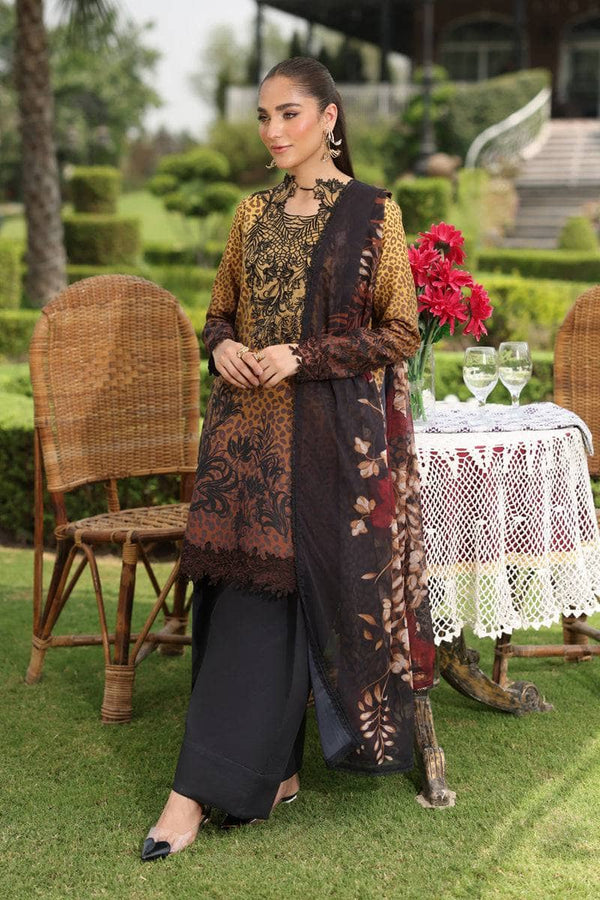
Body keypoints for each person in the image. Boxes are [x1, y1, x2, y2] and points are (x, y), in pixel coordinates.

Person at [141, 56, 436, 862]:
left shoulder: (375, 215)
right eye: (265, 116)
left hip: (323, 443)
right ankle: (269, 773)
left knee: (263, 610)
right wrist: (226, 347)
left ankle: (191, 795)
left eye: (290, 114)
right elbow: (218, 315)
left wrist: (301, 356)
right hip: (242, 442)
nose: (273, 131)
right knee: (241, 597)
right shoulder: (249, 214)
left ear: (331, 118)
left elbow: (401, 332)